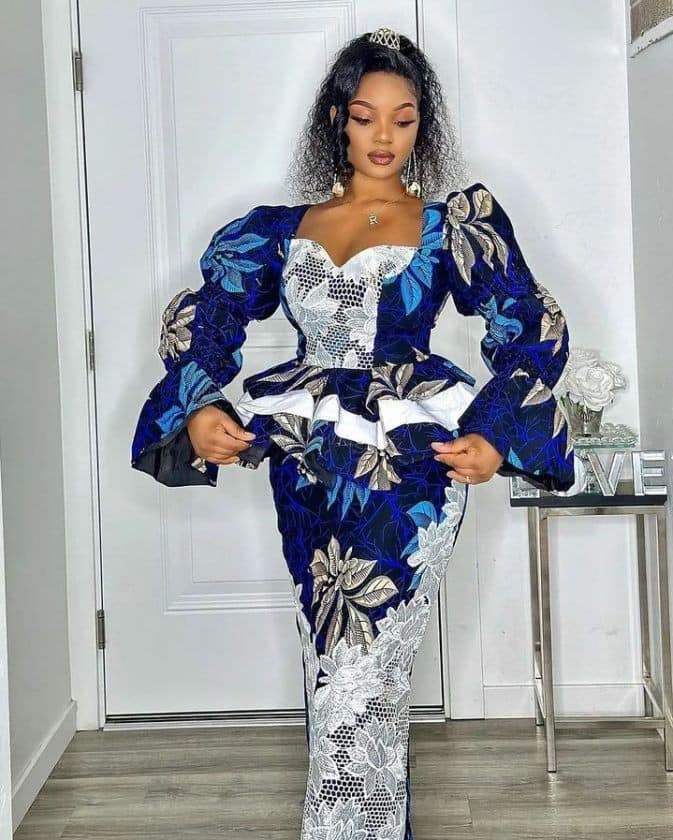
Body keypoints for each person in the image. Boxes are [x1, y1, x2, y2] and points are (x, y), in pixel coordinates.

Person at [130, 26, 575, 840]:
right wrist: (196, 407)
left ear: (422, 125)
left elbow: (528, 326)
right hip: (308, 465)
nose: (383, 136)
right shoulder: (273, 231)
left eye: (403, 119)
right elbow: (205, 323)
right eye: (365, 116)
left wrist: (497, 434)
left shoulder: (452, 225)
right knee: (330, 655)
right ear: (336, 117)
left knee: (373, 666)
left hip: (415, 467)